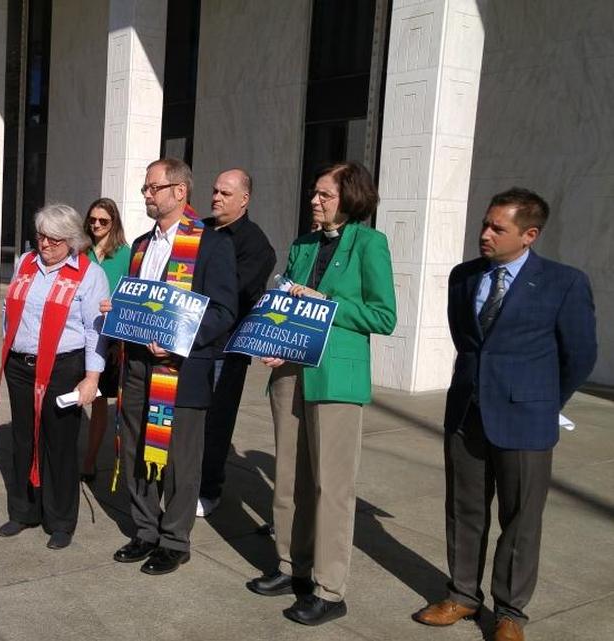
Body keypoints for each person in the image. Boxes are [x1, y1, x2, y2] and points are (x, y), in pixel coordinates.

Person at [412, 188, 596, 641]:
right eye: (485, 223)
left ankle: (510, 612)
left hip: (526, 420)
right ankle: (461, 595)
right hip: (467, 415)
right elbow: (468, 341)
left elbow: (581, 355)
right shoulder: (463, 277)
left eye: (498, 228)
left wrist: (545, 402)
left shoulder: (564, 282)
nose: (485, 233)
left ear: (529, 235)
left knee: (521, 518)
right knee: (465, 509)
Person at [246, 162, 396, 626]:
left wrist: (326, 303)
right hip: (290, 371)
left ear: (350, 199)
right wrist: (272, 337)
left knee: (331, 487)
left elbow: (382, 316)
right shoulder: (303, 244)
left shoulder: (371, 244)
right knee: (289, 478)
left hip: (336, 378)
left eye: (325, 195)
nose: (315, 200)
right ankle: (292, 567)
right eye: (314, 193)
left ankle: (329, 589)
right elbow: (288, 300)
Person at [106, 158, 239, 575]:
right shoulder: (141, 247)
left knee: (180, 459)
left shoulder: (211, 244)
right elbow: (141, 303)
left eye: (153, 187)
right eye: (146, 188)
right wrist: (120, 311)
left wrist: (179, 342)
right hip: (138, 366)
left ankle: (174, 540)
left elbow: (223, 311)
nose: (147, 194)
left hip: (181, 371)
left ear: (179, 191)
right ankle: (145, 530)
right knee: (137, 449)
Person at [0, 203, 109, 550]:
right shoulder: (26, 262)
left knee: (59, 444)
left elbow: (95, 331)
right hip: (21, 366)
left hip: (63, 367)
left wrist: (92, 377)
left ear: (71, 240)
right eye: (41, 236)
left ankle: (60, 520)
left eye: (54, 240)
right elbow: (10, 311)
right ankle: (24, 510)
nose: (45, 245)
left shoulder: (88, 274)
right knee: (24, 439)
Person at [197, 168, 276, 517]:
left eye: (225, 193)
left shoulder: (256, 245)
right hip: (188, 341)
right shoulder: (197, 229)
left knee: (215, 420)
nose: (216, 197)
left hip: (224, 349)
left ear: (244, 200)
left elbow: (232, 294)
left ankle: (208, 488)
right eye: (215, 190)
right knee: (184, 418)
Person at [79, 197, 129, 484]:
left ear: (114, 223)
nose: (96, 225)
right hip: (78, 336)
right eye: (93, 220)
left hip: (109, 339)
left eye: (103, 221)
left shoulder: (126, 254)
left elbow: (131, 296)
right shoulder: (80, 251)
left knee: (99, 401)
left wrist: (118, 342)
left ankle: (90, 460)